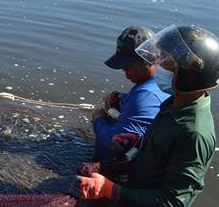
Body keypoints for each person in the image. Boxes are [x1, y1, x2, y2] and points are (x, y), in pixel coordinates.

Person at [77, 25, 218, 206]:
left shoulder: (194, 134)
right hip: (135, 189)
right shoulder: (174, 104)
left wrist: (110, 190)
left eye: (166, 62)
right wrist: (116, 158)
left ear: (188, 76)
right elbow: (154, 151)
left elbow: (173, 202)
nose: (158, 64)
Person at [91, 26, 170, 161]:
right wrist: (124, 99)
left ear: (148, 59)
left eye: (127, 65)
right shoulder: (166, 80)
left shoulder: (145, 97)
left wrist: (98, 119)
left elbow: (109, 148)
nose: (124, 71)